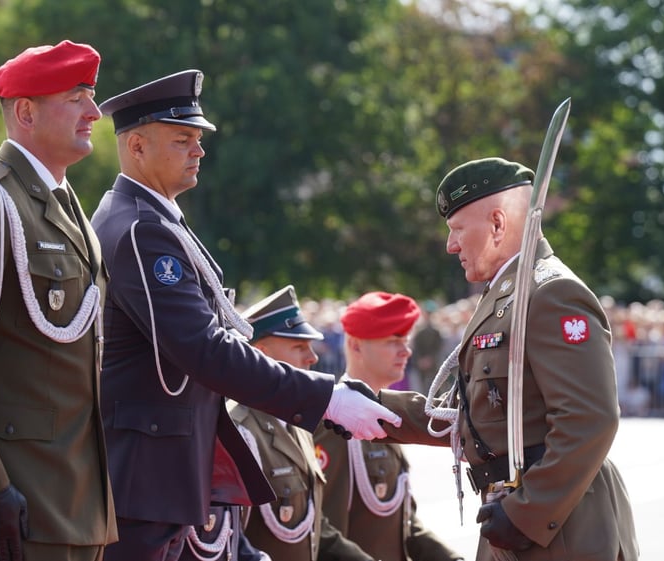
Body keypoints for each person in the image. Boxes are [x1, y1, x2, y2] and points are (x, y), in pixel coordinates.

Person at [90, 69, 400, 561]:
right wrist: (324, 397)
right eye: (182, 139)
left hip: (160, 474)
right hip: (144, 479)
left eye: (198, 139)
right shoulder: (139, 229)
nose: (199, 150)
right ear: (137, 146)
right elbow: (203, 349)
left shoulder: (152, 219)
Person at [378, 157, 639, 560]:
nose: (450, 245)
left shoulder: (551, 293)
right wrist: (371, 406)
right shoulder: (507, 295)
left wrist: (526, 514)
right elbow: (471, 417)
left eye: (457, 229)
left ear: (498, 224)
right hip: (519, 516)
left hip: (560, 531)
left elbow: (589, 418)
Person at [0, 41, 117, 560]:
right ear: (26, 113)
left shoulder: (67, 205)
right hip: (24, 494)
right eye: (76, 98)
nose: (94, 113)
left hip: (79, 498)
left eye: (90, 97)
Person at [229, 285, 377, 561]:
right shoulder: (238, 429)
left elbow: (313, 528)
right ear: (261, 355)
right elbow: (230, 539)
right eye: (299, 347)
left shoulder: (297, 420)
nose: (313, 357)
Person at [313, 292, 463, 561]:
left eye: (405, 341)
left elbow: (404, 522)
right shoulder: (334, 423)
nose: (406, 351)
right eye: (393, 342)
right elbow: (320, 528)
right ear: (356, 346)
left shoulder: (387, 412)